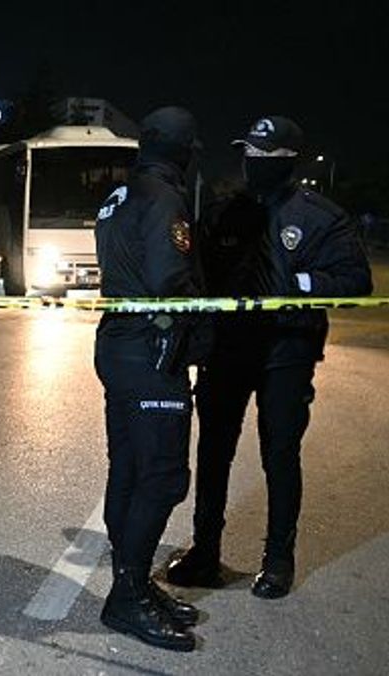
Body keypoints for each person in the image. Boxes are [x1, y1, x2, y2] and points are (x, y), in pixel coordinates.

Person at [166, 117, 373, 599]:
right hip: (228, 350)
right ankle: (205, 552)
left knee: (279, 453)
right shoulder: (224, 212)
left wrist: (298, 285)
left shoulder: (321, 217)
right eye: (249, 155)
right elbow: (198, 273)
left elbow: (355, 280)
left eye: (264, 157)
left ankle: (278, 559)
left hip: (286, 350)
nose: (252, 165)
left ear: (287, 162)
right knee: (213, 451)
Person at [93, 107, 208, 651]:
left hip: (118, 343)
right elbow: (168, 278)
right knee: (162, 477)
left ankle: (130, 582)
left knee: (130, 468)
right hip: (151, 350)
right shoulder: (165, 198)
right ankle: (128, 597)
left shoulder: (120, 194)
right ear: (181, 151)